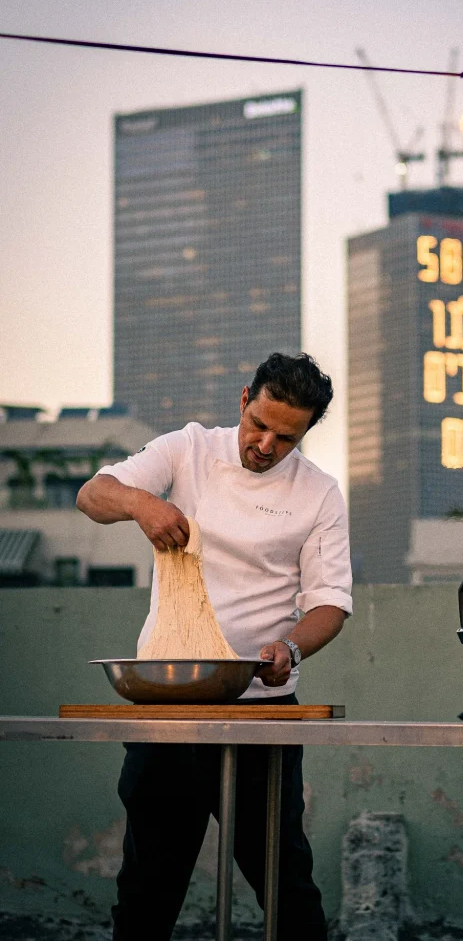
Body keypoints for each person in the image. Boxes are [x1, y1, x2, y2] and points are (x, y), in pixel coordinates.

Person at [76, 352, 352, 941]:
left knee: (285, 885)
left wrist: (292, 647)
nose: (266, 445)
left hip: (262, 710)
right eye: (259, 425)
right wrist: (144, 504)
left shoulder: (320, 493)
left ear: (307, 432)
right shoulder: (189, 448)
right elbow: (93, 496)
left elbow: (330, 603)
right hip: (167, 704)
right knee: (147, 888)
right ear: (244, 398)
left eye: (286, 437)